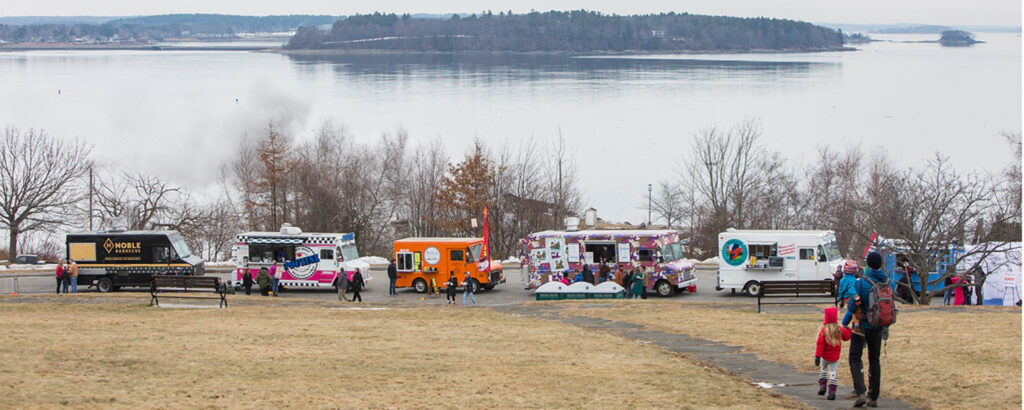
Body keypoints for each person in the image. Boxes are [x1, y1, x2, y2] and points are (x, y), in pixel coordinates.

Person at [842, 251, 887, 407]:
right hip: (878, 325)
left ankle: (860, 391)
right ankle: (873, 396)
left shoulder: (861, 283)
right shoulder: (886, 281)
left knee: (854, 357)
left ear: (868, 264)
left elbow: (853, 305)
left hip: (861, 325)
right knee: (874, 360)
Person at [815, 306, 852, 400]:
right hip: (835, 357)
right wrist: (848, 329)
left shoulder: (824, 331)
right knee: (833, 373)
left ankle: (822, 386)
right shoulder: (839, 330)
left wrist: (817, 356)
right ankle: (832, 391)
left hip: (824, 356)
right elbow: (847, 337)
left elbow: (820, 344)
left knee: (823, 369)